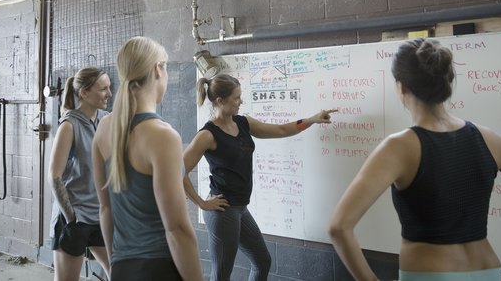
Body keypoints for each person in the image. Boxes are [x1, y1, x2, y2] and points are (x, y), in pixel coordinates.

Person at [328, 38, 501, 281]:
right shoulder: (488, 139)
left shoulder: (398, 148)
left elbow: (339, 227)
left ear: (402, 87)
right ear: (446, 82)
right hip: (488, 272)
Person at [182, 73, 337, 281]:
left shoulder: (243, 123)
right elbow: (177, 170)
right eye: (236, 98)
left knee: (262, 261)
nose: (240, 101)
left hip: (240, 209)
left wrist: (312, 120)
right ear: (220, 100)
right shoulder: (207, 135)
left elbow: (281, 130)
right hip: (222, 211)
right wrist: (201, 203)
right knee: (221, 275)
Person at [91, 36, 202, 281]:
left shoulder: (104, 128)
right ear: (157, 69)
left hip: (122, 268)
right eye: (166, 67)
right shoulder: (163, 136)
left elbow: (105, 208)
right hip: (159, 269)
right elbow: (177, 230)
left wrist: (114, 268)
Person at [48, 67, 112, 280]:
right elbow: (54, 176)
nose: (109, 94)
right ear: (84, 93)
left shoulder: (106, 120)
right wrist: (71, 218)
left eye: (109, 88)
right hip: (75, 218)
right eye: (103, 89)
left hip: (100, 215)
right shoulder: (69, 125)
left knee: (120, 272)